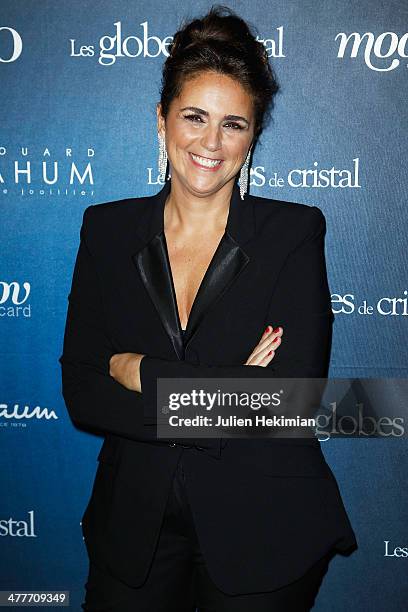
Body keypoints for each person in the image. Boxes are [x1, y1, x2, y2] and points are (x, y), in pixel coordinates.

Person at [59, 5, 357, 611]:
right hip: (133, 527)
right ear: (162, 118)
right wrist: (227, 391)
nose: (210, 143)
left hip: (265, 526)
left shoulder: (293, 234)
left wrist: (143, 373)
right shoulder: (107, 231)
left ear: (253, 138)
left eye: (234, 124)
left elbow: (289, 400)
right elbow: (83, 389)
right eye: (195, 117)